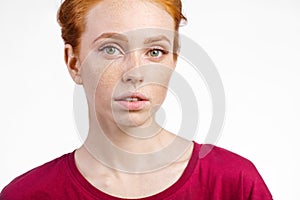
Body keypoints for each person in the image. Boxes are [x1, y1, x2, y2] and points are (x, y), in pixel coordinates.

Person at [0, 0, 272, 199]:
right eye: (110, 49)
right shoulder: (27, 195)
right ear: (74, 63)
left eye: (155, 51)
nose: (135, 73)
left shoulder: (234, 184)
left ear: (173, 61)